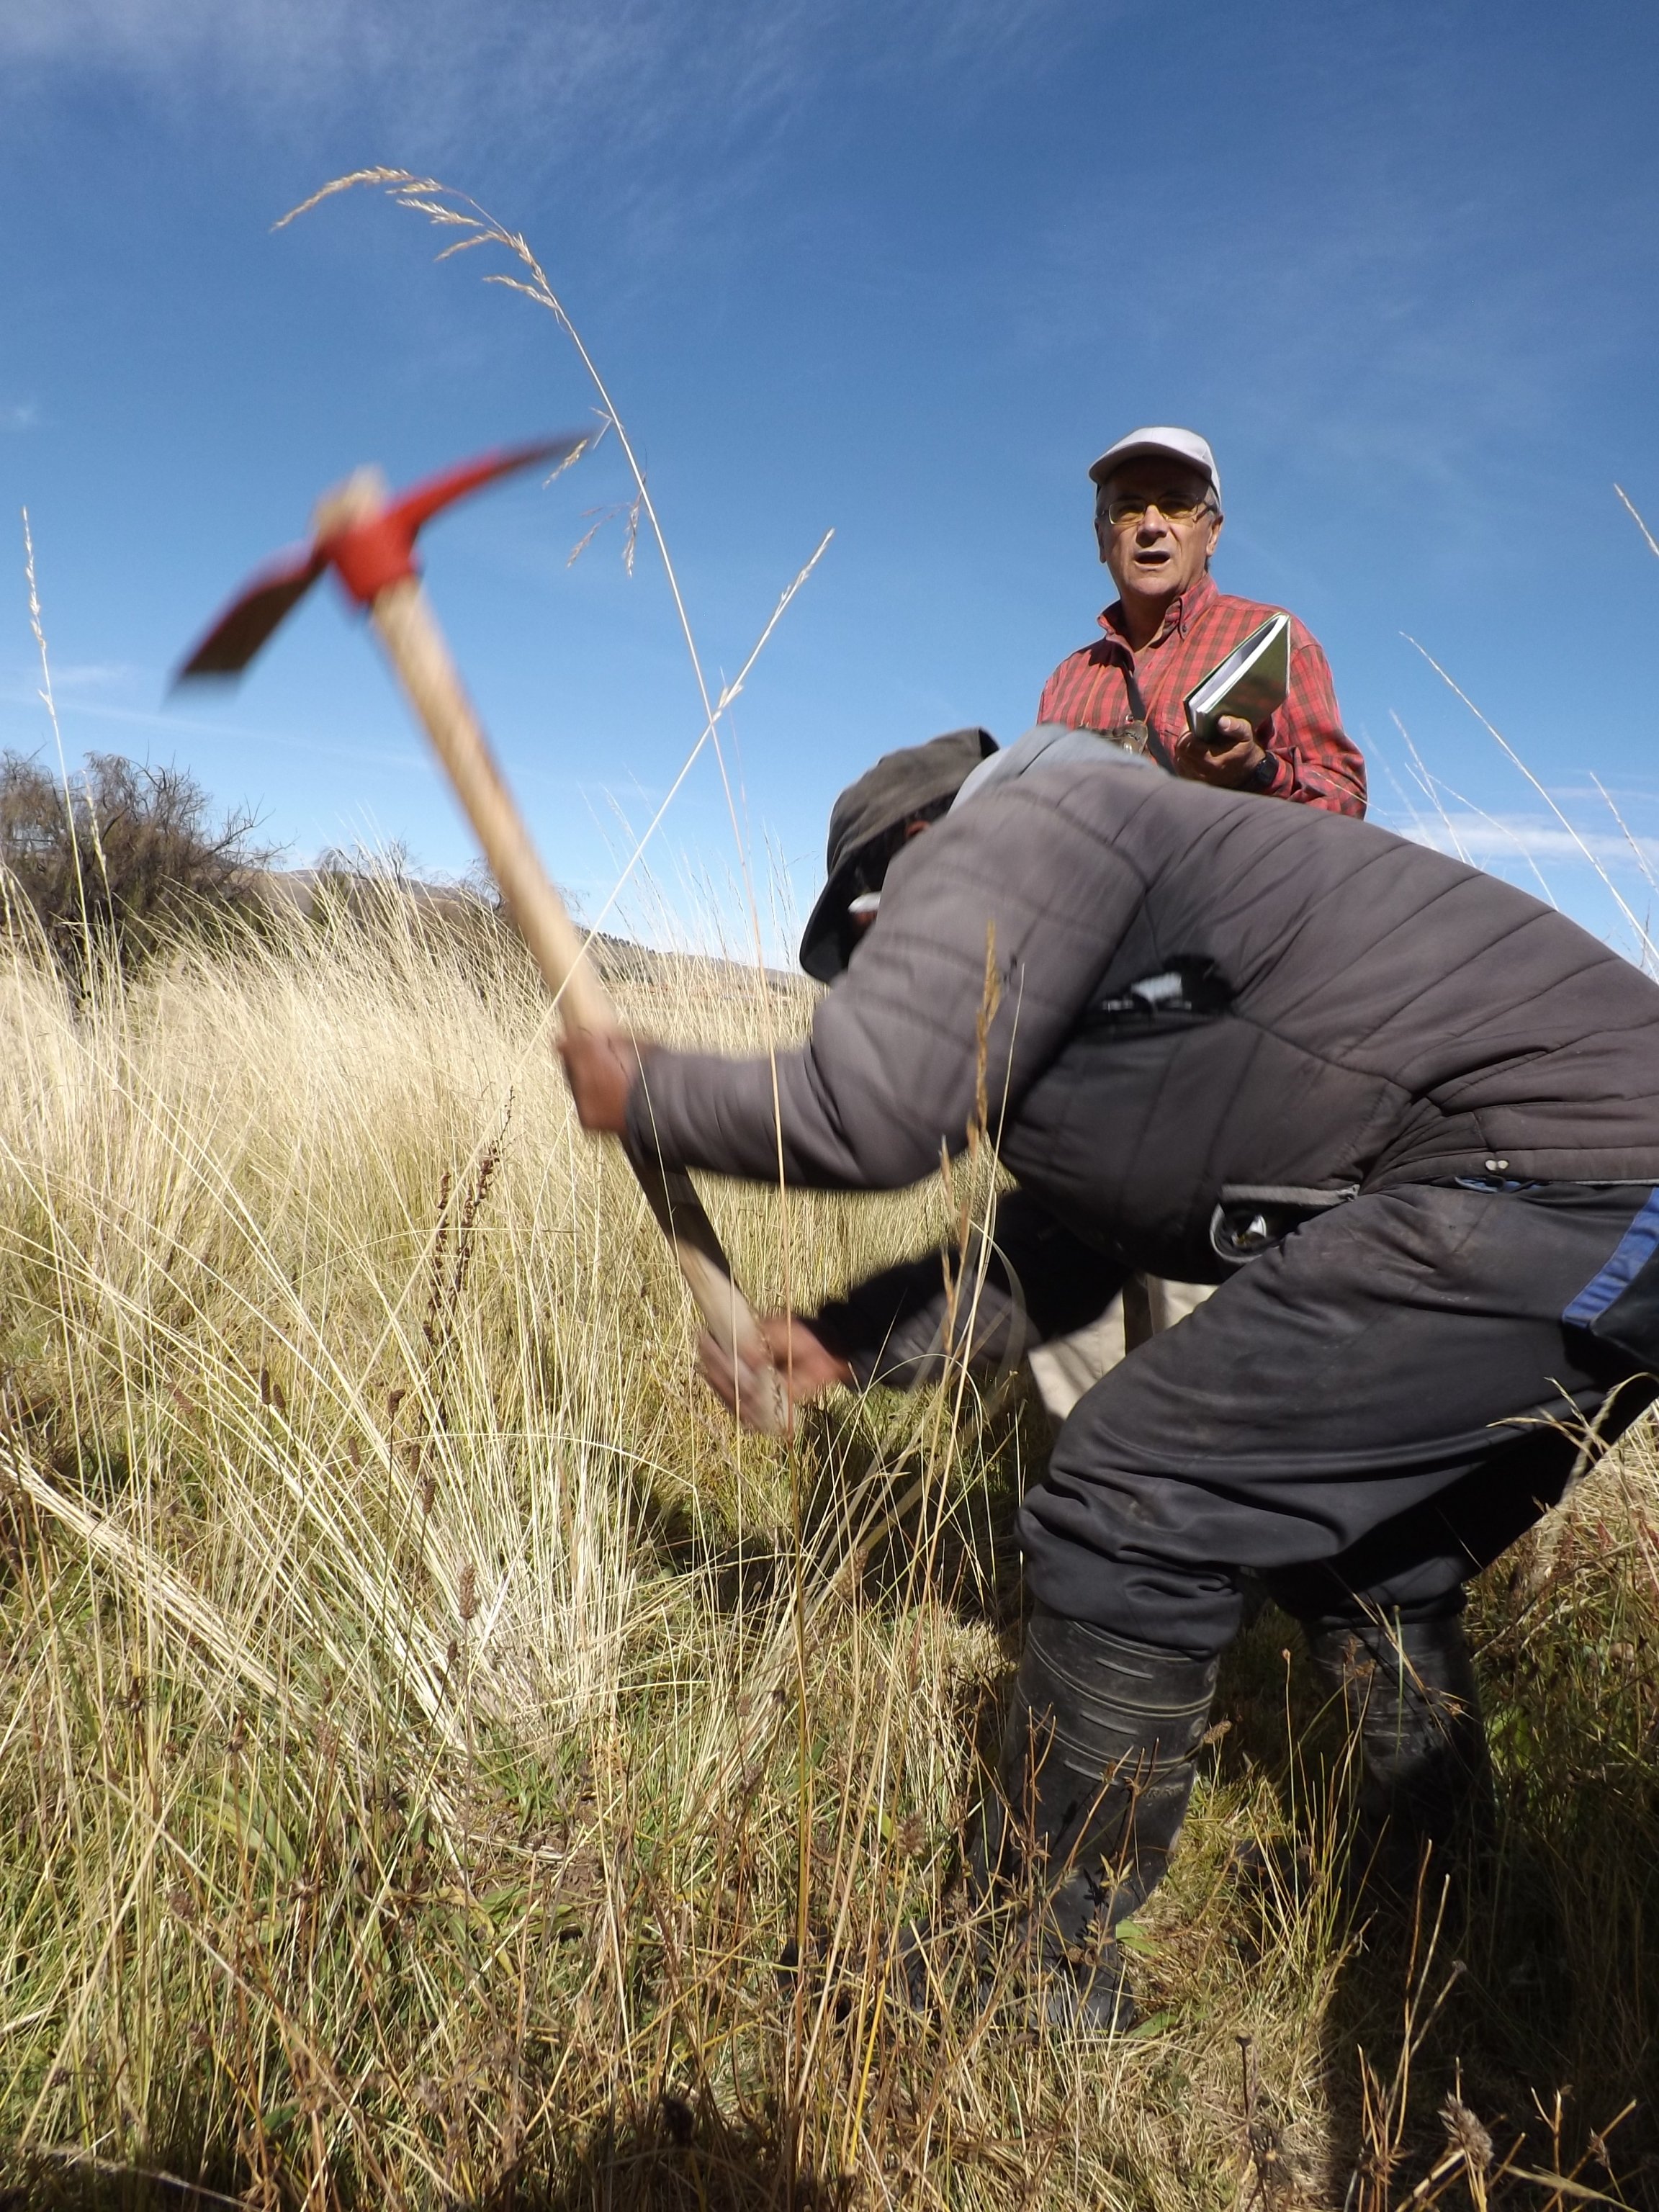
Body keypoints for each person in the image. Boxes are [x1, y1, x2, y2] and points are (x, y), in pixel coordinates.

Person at [561, 727, 1659, 2031]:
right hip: (1601, 1209)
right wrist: (845, 1337)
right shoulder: (1127, 951)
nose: (873, 981)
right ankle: (1444, 1880)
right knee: (1365, 1543)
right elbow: (1069, 1249)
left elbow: (869, 1112)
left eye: (871, 952)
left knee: (1138, 1490)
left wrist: (649, 1091)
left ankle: (1018, 1966)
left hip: (1553, 1182)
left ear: (903, 867)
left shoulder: (1026, 824)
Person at [1039, 425, 1366, 816]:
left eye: (1176, 505)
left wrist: (1257, 773)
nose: (1151, 526)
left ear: (1212, 533)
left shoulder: (1275, 639)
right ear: (1101, 539)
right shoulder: (1068, 679)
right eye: (1127, 509)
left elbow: (1345, 796)